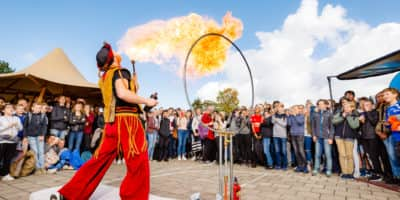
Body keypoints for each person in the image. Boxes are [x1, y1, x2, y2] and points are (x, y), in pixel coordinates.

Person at [58, 43, 158, 199]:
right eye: (115, 53)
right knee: (138, 162)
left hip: (112, 124)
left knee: (98, 161)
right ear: (113, 59)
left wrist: (133, 82)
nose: (119, 53)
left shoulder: (106, 76)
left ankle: (70, 194)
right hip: (127, 122)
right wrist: (147, 101)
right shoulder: (119, 71)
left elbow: (122, 92)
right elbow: (123, 93)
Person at [333, 101, 360, 179]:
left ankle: (350, 173)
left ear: (352, 107)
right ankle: (344, 172)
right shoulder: (339, 114)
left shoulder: (355, 115)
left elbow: (354, 125)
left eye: (348, 107)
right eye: (344, 107)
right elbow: (333, 121)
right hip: (339, 137)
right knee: (342, 155)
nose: (345, 108)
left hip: (349, 137)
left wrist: (348, 116)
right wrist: (342, 117)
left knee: (349, 155)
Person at [23, 102, 48, 175]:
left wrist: (42, 135)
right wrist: (25, 136)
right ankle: (37, 168)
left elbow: (44, 127)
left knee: (41, 152)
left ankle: (42, 167)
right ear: (32, 108)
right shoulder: (29, 115)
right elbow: (25, 126)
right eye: (36, 107)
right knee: (35, 152)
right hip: (31, 136)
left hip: (40, 136)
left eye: (40, 108)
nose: (38, 109)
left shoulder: (43, 116)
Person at [311, 99, 334, 177]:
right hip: (318, 137)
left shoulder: (329, 114)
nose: (320, 105)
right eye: (319, 104)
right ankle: (316, 169)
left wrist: (331, 137)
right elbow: (313, 126)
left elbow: (332, 127)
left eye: (321, 104)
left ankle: (329, 170)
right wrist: (314, 135)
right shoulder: (315, 114)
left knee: (328, 155)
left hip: (326, 138)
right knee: (317, 154)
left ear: (325, 105)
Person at [0, 104, 23, 181]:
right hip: (3, 140)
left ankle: (5, 174)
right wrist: (9, 126)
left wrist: (17, 125)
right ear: (3, 110)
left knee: (8, 159)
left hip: (13, 141)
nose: (10, 109)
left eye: (12, 108)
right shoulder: (1, 118)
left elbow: (20, 128)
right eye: (8, 108)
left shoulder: (16, 118)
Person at [382, 88, 400, 183]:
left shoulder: (398, 106)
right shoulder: (389, 108)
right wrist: (387, 123)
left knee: (397, 157)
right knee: (392, 157)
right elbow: (392, 122)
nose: (385, 96)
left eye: (387, 94)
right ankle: (396, 177)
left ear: (395, 94)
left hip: (398, 136)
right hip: (392, 135)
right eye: (384, 95)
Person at [288, 105, 308, 173]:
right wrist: (290, 116)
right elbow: (289, 124)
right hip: (293, 135)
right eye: (293, 109)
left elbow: (300, 122)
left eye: (296, 109)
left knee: (301, 150)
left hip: (300, 135)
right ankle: (300, 166)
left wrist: (295, 115)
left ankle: (305, 166)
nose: (295, 110)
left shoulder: (302, 115)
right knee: (296, 151)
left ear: (299, 110)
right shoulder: (291, 116)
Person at [272, 103, 288, 170]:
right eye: (278, 107)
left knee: (283, 151)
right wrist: (274, 117)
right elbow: (272, 122)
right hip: (275, 135)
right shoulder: (274, 115)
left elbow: (284, 124)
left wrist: (277, 120)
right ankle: (278, 164)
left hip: (283, 136)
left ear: (282, 108)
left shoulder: (285, 116)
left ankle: (284, 165)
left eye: (280, 107)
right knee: (277, 151)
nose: (279, 108)